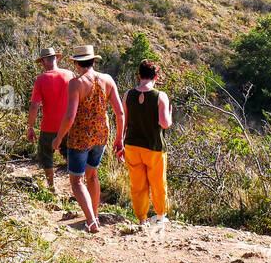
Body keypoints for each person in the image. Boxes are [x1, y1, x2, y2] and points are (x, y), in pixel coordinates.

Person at [52, 44, 125, 233]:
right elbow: (120, 113)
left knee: (76, 181)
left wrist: (59, 138)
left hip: (80, 137)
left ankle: (91, 221)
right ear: (93, 61)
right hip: (101, 135)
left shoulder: (76, 83)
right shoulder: (108, 80)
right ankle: (95, 216)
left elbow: (70, 116)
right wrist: (119, 139)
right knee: (92, 175)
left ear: (77, 64)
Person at [121, 58, 172, 239]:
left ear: (139, 76)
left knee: (138, 185)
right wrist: (170, 115)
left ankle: (142, 219)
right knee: (158, 183)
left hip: (132, 145)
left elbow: (124, 122)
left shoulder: (128, 95)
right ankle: (160, 217)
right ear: (156, 76)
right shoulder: (160, 96)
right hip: (154, 147)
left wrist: (119, 142)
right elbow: (165, 124)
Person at [27, 47, 73, 191]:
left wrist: (30, 127)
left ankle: (52, 187)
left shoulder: (40, 80)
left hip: (49, 127)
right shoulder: (70, 74)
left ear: (42, 62)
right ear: (56, 59)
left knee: (46, 157)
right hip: (69, 125)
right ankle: (77, 187)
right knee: (72, 157)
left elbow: (34, 106)